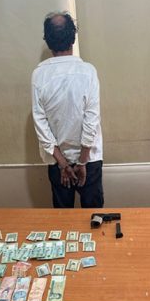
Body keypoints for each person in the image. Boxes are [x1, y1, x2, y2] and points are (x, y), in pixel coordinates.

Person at [31, 11, 104, 208]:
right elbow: (91, 120)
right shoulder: (88, 72)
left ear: (48, 42)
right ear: (73, 38)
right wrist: (82, 162)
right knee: (94, 218)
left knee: (62, 220)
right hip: (90, 160)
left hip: (57, 162)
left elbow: (40, 123)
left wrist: (63, 163)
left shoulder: (39, 75)